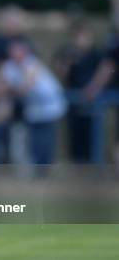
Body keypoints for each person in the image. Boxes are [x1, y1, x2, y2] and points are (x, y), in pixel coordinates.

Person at [54, 22, 114, 163]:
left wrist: (92, 89)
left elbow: (106, 71)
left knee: (93, 139)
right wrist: (66, 62)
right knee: (75, 139)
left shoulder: (97, 53)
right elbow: (61, 74)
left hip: (93, 102)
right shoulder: (67, 53)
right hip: (74, 103)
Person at [2, 40, 66, 165]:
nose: (17, 55)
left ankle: (43, 169)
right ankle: (37, 169)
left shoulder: (32, 63)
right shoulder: (9, 66)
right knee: (34, 141)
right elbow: (6, 87)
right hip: (33, 108)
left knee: (45, 141)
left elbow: (26, 87)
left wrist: (14, 90)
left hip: (50, 107)